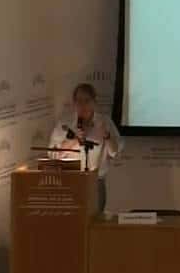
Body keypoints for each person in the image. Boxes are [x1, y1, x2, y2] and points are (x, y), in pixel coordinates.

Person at [49, 83, 124, 213]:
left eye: (87, 101)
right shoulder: (65, 123)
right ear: (74, 103)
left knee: (96, 221)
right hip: (70, 181)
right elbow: (53, 154)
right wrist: (73, 140)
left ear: (94, 102)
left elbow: (115, 152)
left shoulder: (104, 122)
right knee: (71, 220)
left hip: (95, 182)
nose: (82, 105)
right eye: (78, 101)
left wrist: (107, 136)